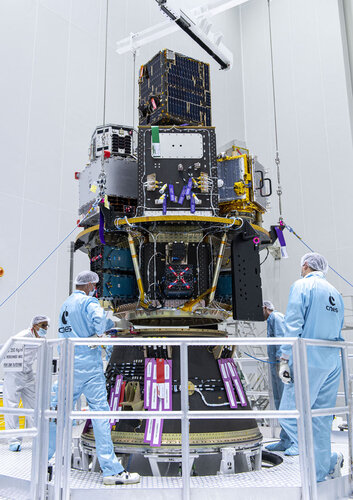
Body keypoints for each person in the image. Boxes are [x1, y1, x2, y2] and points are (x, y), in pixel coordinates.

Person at [48, 270, 140, 485]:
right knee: (100, 414)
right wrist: (109, 328)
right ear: (89, 285)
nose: (95, 289)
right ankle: (111, 471)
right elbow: (99, 322)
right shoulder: (89, 303)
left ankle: (47, 461)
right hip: (88, 367)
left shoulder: (66, 304)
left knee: (58, 414)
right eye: (95, 285)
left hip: (68, 363)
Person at [278, 253, 344, 481]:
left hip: (308, 359)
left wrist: (285, 358)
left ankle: (318, 458)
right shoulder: (335, 292)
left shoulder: (302, 286)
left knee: (288, 414)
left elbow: (293, 322)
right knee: (321, 418)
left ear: (305, 265)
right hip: (332, 360)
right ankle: (322, 470)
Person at [3, 315, 50, 451]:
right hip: (14, 373)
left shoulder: (41, 339)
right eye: (43, 326)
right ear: (35, 326)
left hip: (28, 374)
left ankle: (36, 437)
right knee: (12, 406)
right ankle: (14, 440)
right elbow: (8, 350)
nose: (45, 329)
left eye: (47, 326)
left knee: (33, 406)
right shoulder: (22, 335)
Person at [262, 301, 291, 452]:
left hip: (280, 365)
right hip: (275, 365)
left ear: (265, 308)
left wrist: (282, 362)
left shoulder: (276, 317)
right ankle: (285, 439)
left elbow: (281, 339)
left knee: (285, 402)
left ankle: (290, 440)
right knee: (279, 402)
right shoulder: (271, 320)